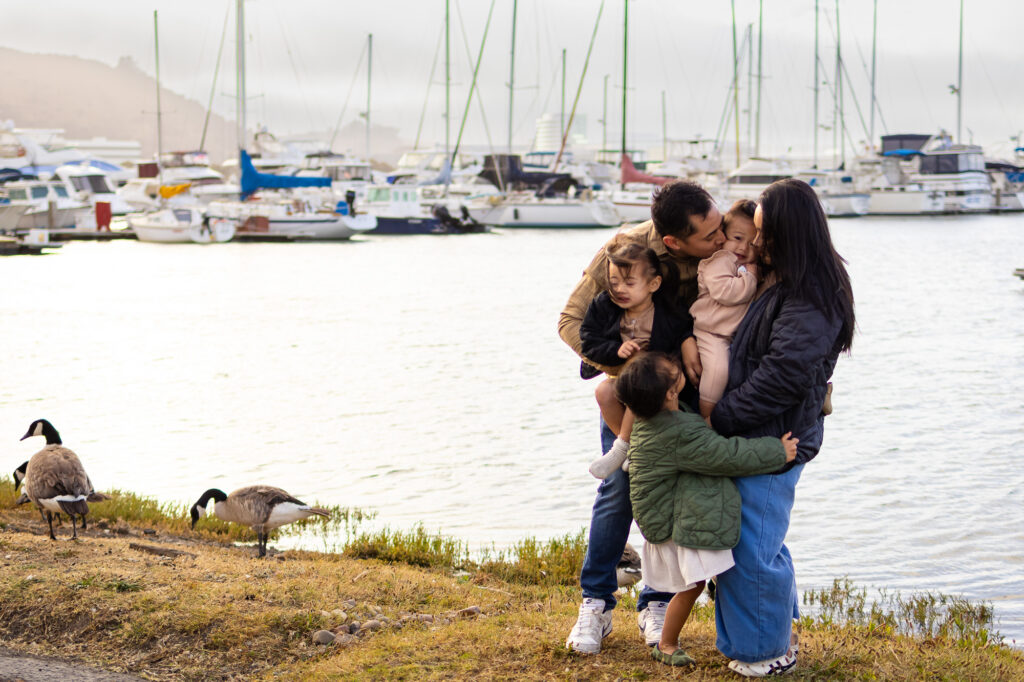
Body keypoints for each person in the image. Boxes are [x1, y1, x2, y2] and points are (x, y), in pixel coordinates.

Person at [558, 180, 726, 655]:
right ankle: (596, 605)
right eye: (708, 236)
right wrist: (632, 372)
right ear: (673, 243)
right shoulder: (622, 252)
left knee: (674, 496)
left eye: (719, 228)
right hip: (633, 391)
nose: (720, 239)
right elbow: (570, 323)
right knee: (618, 491)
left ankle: (656, 602)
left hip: (688, 398)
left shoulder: (726, 247)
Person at [710, 178, 855, 677]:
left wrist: (719, 418)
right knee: (758, 538)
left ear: (788, 231)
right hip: (762, 434)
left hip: (775, 438)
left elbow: (783, 377)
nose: (756, 240)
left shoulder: (810, 293)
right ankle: (766, 638)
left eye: (765, 231)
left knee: (752, 548)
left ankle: (765, 654)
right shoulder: (786, 280)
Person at [615, 352, 798, 667]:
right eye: (675, 374)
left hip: (665, 515)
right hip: (674, 524)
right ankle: (667, 643)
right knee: (693, 585)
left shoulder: (649, 422)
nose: (679, 369)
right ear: (671, 393)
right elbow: (725, 455)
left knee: (708, 578)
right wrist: (775, 451)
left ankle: (738, 627)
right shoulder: (678, 432)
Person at [578, 237, 692, 479]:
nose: (619, 289)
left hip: (660, 379)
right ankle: (631, 449)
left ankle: (621, 448)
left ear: (653, 284)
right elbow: (589, 341)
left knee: (638, 363)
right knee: (603, 392)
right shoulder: (604, 306)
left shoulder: (667, 308)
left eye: (629, 283)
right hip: (623, 377)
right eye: (614, 282)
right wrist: (615, 349)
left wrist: (687, 342)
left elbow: (685, 328)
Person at [689, 199, 760, 422]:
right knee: (718, 370)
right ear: (723, 235)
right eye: (737, 238)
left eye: (751, 243)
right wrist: (751, 277)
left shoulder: (744, 264)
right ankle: (707, 416)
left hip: (732, 335)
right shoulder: (719, 261)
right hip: (711, 332)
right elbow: (726, 293)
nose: (742, 248)